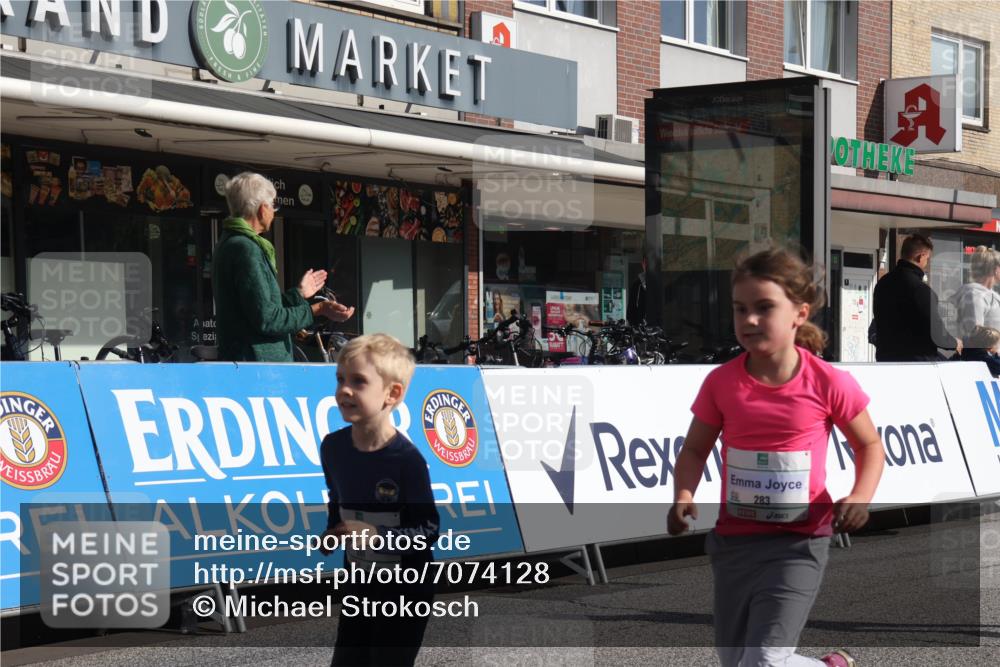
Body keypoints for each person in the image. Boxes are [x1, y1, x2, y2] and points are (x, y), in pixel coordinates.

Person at [667, 248, 884, 667]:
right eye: (740, 309)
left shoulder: (828, 382)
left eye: (764, 308)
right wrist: (683, 495)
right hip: (735, 544)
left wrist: (860, 496)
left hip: (799, 543)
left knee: (765, 660)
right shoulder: (721, 383)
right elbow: (694, 449)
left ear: (799, 313)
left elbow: (869, 446)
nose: (749, 320)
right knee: (738, 662)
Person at [318, 334, 439, 666]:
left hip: (406, 589)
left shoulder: (406, 461)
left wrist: (376, 536)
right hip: (359, 584)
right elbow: (336, 497)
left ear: (392, 393)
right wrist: (333, 529)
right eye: (340, 379)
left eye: (358, 381)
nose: (344, 390)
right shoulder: (333, 447)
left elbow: (428, 529)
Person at [212, 172, 354, 361]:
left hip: (248, 362)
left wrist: (299, 294)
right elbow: (268, 320)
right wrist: (318, 309)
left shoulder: (230, 243)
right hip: (259, 365)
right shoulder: (245, 249)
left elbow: (261, 309)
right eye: (273, 205)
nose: (274, 212)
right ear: (263, 209)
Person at [872, 233, 961, 361]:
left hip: (886, 360)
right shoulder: (921, 290)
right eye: (927, 259)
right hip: (916, 363)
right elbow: (937, 335)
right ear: (921, 257)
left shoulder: (882, 284)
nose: (927, 263)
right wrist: (954, 343)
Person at [952, 246, 1000, 339]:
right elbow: (975, 337)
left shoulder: (989, 296)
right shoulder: (974, 296)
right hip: (986, 349)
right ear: (995, 269)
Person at [626, 255, 648, 326]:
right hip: (640, 328)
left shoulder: (659, 284)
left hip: (657, 328)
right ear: (643, 264)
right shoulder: (637, 285)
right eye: (646, 262)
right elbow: (630, 311)